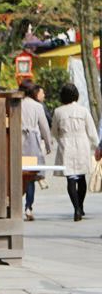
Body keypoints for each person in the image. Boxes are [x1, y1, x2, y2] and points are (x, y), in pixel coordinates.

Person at [51, 82, 97, 221]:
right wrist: (96, 146)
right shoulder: (83, 111)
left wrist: (60, 140)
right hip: (82, 144)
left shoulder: (58, 111)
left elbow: (54, 131)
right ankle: (81, 207)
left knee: (70, 178)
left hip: (66, 145)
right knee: (81, 177)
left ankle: (76, 208)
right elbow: (91, 130)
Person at [20, 82, 52, 220]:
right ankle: (28, 207)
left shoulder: (14, 104)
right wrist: (49, 144)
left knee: (17, 176)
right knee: (30, 177)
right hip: (31, 143)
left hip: (16, 142)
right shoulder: (37, 106)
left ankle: (14, 205)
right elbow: (44, 126)